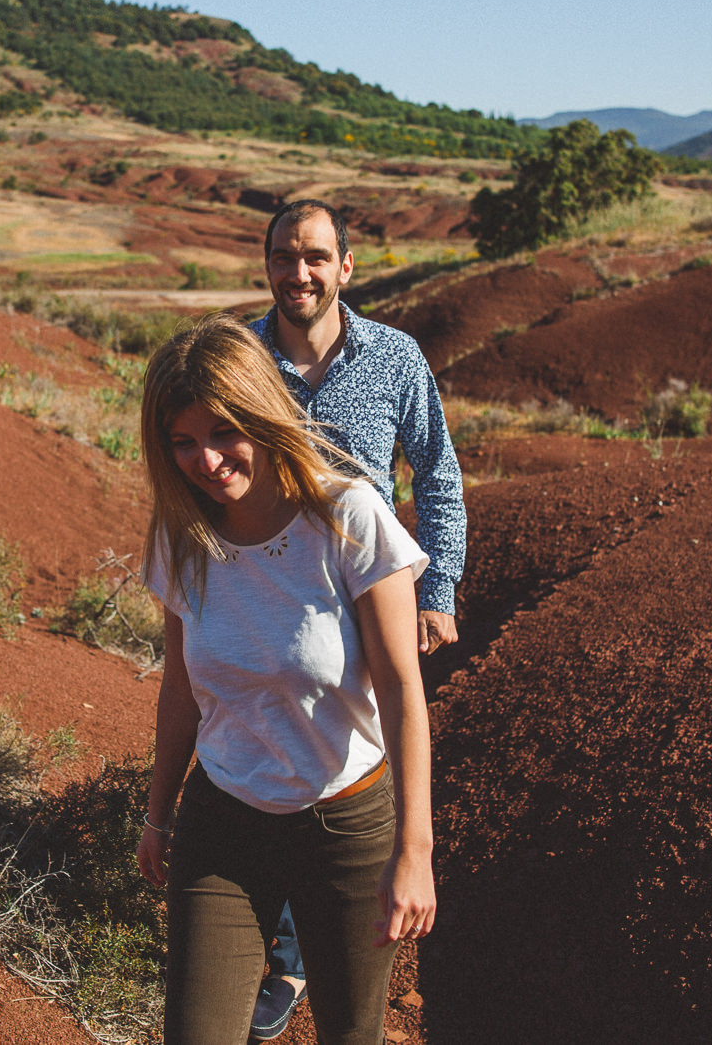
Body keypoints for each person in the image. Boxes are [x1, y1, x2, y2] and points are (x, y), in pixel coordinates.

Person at [136, 316, 436, 1045]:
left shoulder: (348, 518)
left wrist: (415, 851)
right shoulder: (184, 536)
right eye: (182, 441)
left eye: (223, 431)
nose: (205, 459)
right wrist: (158, 811)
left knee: (348, 1033)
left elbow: (401, 689)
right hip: (225, 818)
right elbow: (180, 689)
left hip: (347, 824)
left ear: (262, 412)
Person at [246, 198, 467, 1039]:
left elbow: (436, 476)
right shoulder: (239, 355)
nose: (296, 272)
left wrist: (438, 587)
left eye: (313, 256)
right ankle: (275, 941)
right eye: (282, 256)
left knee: (352, 770)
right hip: (263, 595)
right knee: (264, 757)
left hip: (369, 602)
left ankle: (325, 947)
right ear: (266, 264)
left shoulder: (396, 358)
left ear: (346, 267)